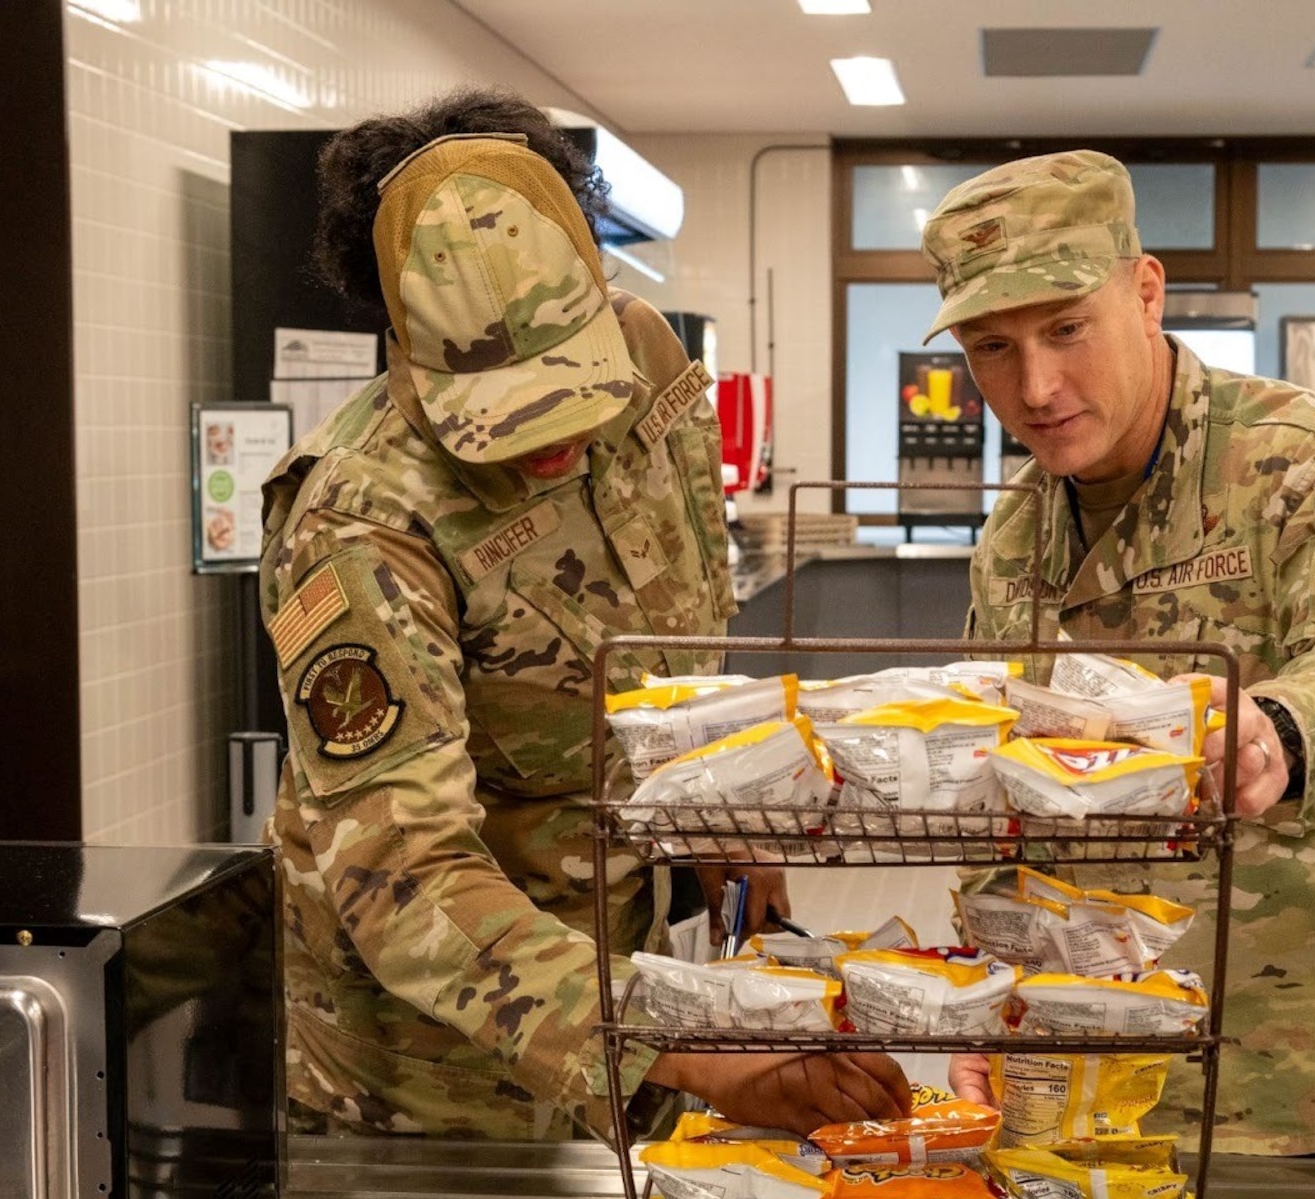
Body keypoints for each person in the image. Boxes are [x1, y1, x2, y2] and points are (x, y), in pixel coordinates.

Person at [259, 89, 909, 1141]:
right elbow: (403, 876)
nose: (553, 437)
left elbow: (678, 644)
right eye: (501, 412)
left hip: (633, 966)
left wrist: (731, 855)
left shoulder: (646, 356)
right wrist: (674, 1043)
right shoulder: (359, 520)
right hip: (439, 1079)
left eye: (568, 381)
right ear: (409, 349)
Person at [921, 150, 1315, 1159]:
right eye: (992, 348)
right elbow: (1005, 801)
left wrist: (1278, 726)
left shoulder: (1305, 465)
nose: (1036, 385)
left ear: (1145, 293)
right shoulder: (1016, 531)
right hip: (1112, 1100)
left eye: (1066, 329)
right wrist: (995, 999)